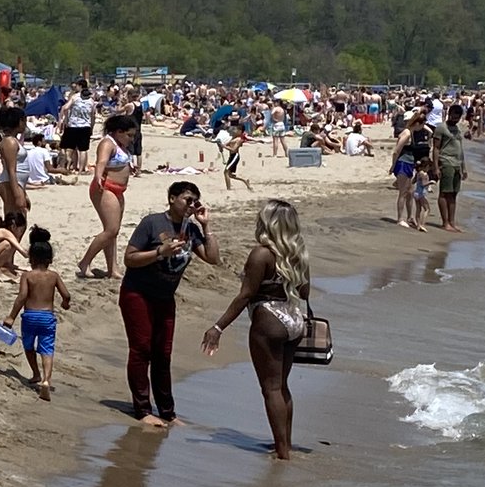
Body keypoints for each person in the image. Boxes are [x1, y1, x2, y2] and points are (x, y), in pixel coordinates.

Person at [203, 198, 312, 462]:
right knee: (282, 387)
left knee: (271, 389)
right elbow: (304, 291)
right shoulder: (298, 252)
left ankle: (283, 453)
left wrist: (218, 327)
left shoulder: (261, 253)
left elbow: (245, 296)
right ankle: (284, 443)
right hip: (293, 319)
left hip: (269, 320)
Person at [119, 181, 219, 428]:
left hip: (165, 298)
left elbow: (213, 258)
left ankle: (168, 412)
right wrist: (159, 253)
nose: (191, 205)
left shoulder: (191, 230)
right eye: (187, 199)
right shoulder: (152, 223)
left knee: (163, 355)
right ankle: (142, 409)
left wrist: (206, 227)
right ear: (172, 198)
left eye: (195, 201)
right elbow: (129, 259)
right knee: (141, 349)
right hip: (137, 293)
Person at [5, 226, 71, 401]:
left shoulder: (28, 276)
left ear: (31, 258)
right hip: (47, 317)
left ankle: (35, 373)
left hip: (30, 317)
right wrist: (65, 303)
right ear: (50, 259)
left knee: (28, 346)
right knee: (47, 348)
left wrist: (11, 316)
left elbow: (22, 297)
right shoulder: (54, 276)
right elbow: (66, 295)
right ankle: (46, 380)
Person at [76, 113, 139, 279]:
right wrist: (97, 177)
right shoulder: (107, 143)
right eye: (129, 135)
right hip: (105, 188)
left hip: (118, 189)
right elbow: (101, 162)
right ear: (118, 131)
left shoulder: (120, 144)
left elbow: (119, 162)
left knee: (113, 232)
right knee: (111, 230)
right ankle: (85, 262)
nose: (131, 139)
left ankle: (113, 269)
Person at [0, 105, 29, 219]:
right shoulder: (10, 142)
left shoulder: (13, 140)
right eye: (24, 120)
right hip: (9, 183)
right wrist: (17, 194)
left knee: (18, 219)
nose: (25, 124)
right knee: (15, 220)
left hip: (15, 183)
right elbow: (11, 170)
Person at [433, 112, 467, 231]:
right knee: (445, 192)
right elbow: (436, 148)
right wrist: (436, 166)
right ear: (449, 115)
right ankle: (445, 222)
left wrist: (464, 167)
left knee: (453, 193)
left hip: (457, 163)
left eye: (458, 118)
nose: (456, 120)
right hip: (446, 161)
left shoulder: (457, 129)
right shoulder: (441, 128)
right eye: (454, 117)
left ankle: (452, 222)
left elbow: (460, 148)